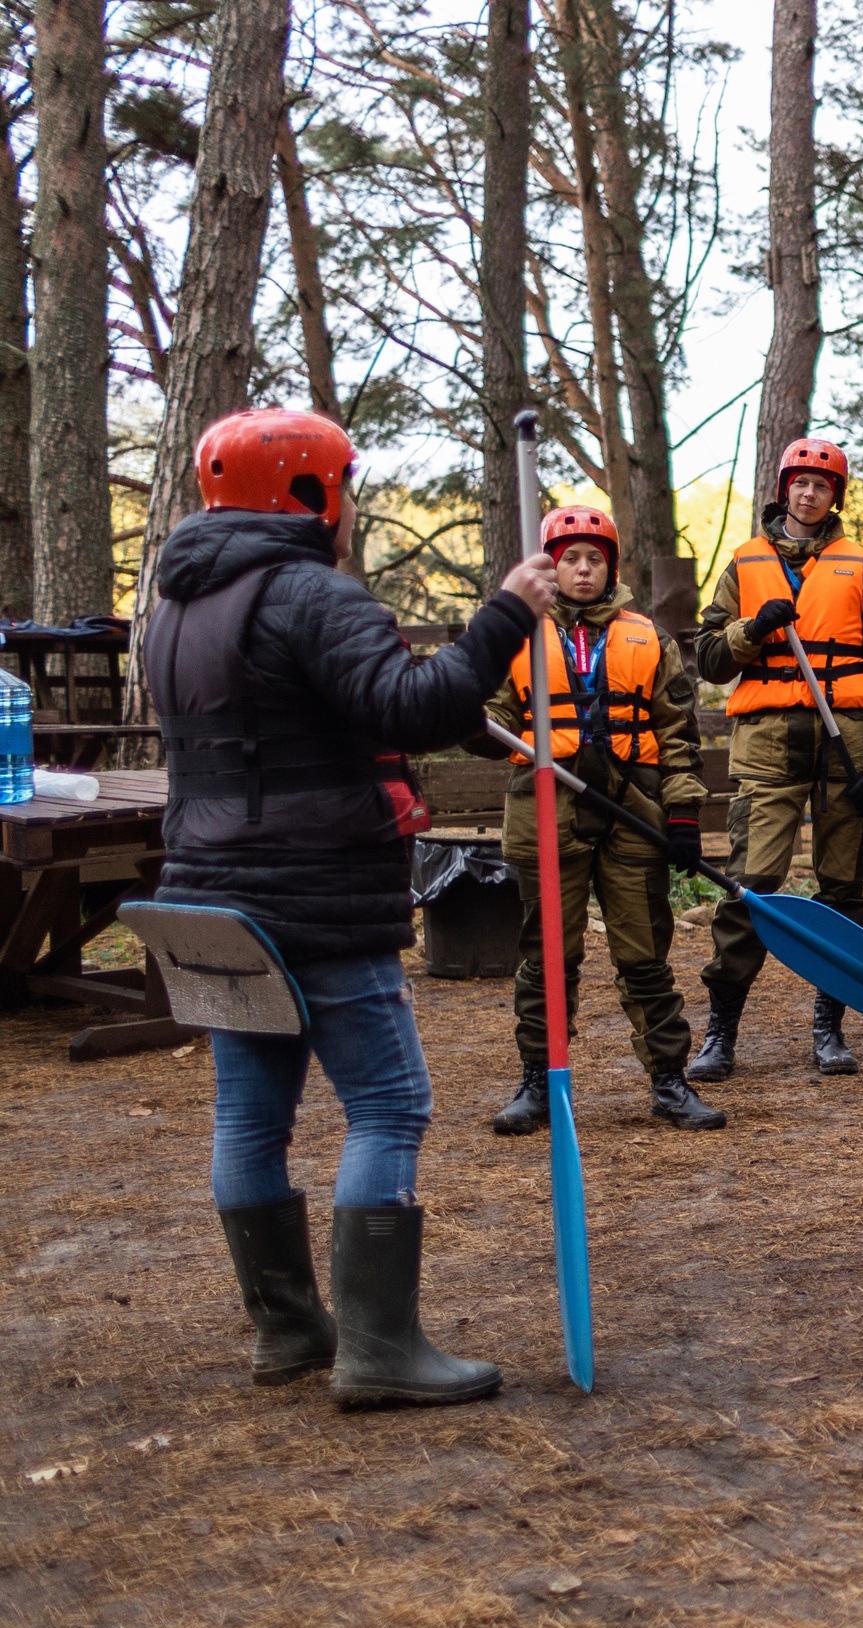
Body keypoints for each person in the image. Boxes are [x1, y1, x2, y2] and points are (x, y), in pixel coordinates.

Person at [146, 407, 553, 1408]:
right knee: (387, 1105)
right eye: (346, 487)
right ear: (308, 494)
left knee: (250, 1120)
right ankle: (378, 1351)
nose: (353, 506)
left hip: (209, 899)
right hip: (315, 896)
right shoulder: (310, 596)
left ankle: (288, 1334)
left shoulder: (171, 609)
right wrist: (505, 614)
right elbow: (414, 706)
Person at [483, 505, 723, 1135]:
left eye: (594, 559)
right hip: (547, 807)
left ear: (610, 567)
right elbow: (491, 716)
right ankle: (539, 1081)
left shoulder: (648, 638)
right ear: (551, 566)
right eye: (570, 559)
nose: (583, 570)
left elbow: (678, 736)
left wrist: (683, 817)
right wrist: (472, 723)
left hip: (632, 808)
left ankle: (669, 1081)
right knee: (547, 957)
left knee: (644, 954)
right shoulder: (520, 636)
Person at [689, 438, 863, 1080]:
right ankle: (721, 1033)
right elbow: (708, 658)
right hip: (767, 747)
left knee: (843, 887)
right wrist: (751, 630)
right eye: (800, 482)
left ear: (835, 495)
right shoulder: (744, 564)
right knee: (751, 886)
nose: (809, 492)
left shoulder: (860, 568)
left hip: (848, 747)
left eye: (822, 484)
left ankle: (829, 1028)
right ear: (784, 487)